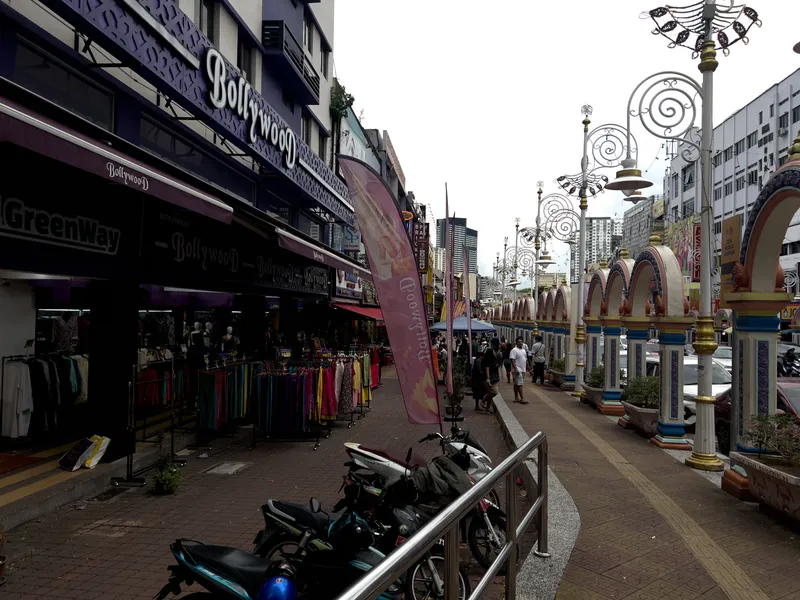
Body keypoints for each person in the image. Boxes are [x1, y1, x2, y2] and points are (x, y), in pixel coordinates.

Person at [480, 338, 501, 413]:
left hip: (494, 378)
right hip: (489, 379)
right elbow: (487, 369)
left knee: (490, 392)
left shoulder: (492, 359)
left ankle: (487, 408)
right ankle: (483, 400)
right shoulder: (489, 360)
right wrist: (488, 378)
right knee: (494, 392)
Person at [509, 337, 529, 403]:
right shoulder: (514, 350)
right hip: (517, 369)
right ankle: (522, 398)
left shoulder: (523, 350)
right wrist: (516, 369)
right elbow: (512, 360)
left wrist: (529, 368)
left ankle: (516, 398)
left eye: (521, 342)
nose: (520, 343)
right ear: (516, 343)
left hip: (523, 369)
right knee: (520, 384)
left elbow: (525, 360)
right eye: (518, 342)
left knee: (516, 383)